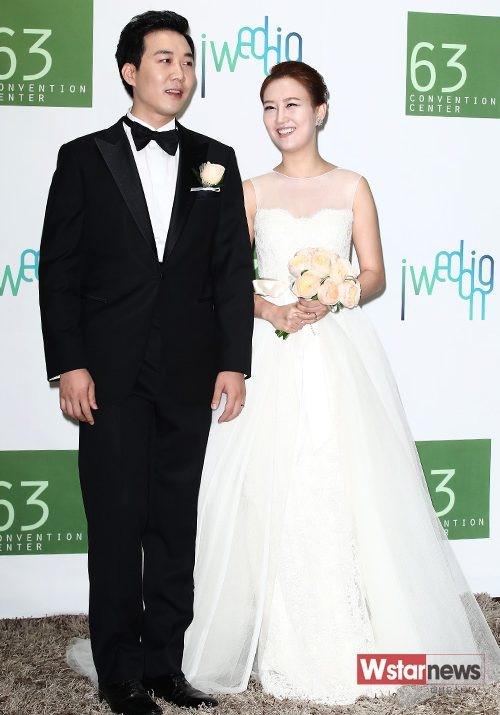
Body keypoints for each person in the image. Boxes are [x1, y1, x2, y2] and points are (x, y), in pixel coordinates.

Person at [178, 61, 500, 705]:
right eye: (269, 107)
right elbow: (223, 281)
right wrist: (271, 309)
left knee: (342, 485)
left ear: (320, 110)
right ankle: (276, 637)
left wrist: (337, 291)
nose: (281, 118)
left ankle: (355, 635)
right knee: (266, 488)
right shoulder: (250, 190)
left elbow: (373, 273)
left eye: (293, 104)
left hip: (336, 354)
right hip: (269, 355)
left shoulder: (353, 185)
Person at [39, 10, 254, 715]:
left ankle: (166, 666)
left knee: (173, 526)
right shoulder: (83, 156)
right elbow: (59, 271)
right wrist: (69, 363)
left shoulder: (216, 158)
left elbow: (231, 270)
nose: (179, 72)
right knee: (116, 522)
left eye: (188, 60)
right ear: (130, 71)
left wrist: (234, 362)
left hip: (190, 372)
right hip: (108, 373)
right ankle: (119, 674)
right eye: (164, 59)